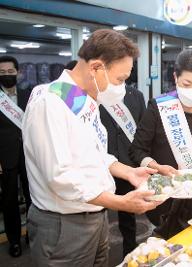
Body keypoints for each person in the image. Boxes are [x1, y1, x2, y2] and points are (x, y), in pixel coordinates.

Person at [22, 29, 162, 267]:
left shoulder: (83, 99)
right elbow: (60, 177)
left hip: (95, 216)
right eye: (120, 79)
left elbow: (95, 154)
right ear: (96, 67)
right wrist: (121, 203)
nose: (122, 87)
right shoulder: (50, 102)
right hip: (64, 225)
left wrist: (128, 172)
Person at [129, 49, 192, 239]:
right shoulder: (159, 107)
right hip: (165, 197)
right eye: (186, 84)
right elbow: (136, 150)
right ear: (175, 77)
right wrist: (155, 166)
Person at [99, 66, 146, 256]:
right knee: (99, 209)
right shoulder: (97, 93)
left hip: (128, 163)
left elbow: (142, 129)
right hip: (102, 162)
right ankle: (101, 246)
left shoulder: (136, 95)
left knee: (128, 212)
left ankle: (129, 247)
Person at [0, 55, 31, 257]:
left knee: (33, 198)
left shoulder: (28, 94)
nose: (7, 75)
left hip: (29, 157)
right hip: (5, 159)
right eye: (2, 73)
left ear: (18, 72)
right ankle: (14, 241)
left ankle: (32, 234)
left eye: (10, 72)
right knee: (9, 202)